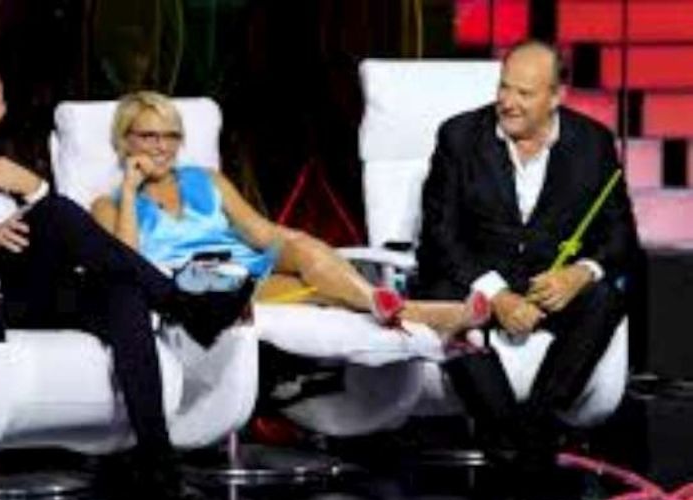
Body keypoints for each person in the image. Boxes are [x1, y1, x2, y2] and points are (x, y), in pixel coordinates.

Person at [0, 62, 251, 500]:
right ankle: (183, 304)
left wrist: (33, 188)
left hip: (35, 295)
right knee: (55, 210)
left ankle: (157, 464)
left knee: (123, 292)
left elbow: (68, 242)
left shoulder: (14, 168)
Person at [90, 90, 490, 345]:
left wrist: (303, 248)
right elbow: (129, 267)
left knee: (302, 250)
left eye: (171, 136)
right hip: (198, 289)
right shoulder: (107, 206)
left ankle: (382, 302)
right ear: (125, 140)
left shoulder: (207, 180)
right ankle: (424, 313)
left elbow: (261, 232)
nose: (161, 147)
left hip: (245, 266)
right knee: (316, 288)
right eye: (148, 136)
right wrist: (130, 189)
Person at [416, 40, 640, 455]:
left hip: (548, 285)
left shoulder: (593, 143)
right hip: (476, 282)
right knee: (442, 296)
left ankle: (538, 423)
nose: (508, 102)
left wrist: (579, 274)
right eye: (504, 87)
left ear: (556, 96)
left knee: (604, 298)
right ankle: (514, 440)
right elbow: (439, 235)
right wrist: (497, 295)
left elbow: (620, 235)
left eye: (524, 93)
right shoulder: (459, 137)